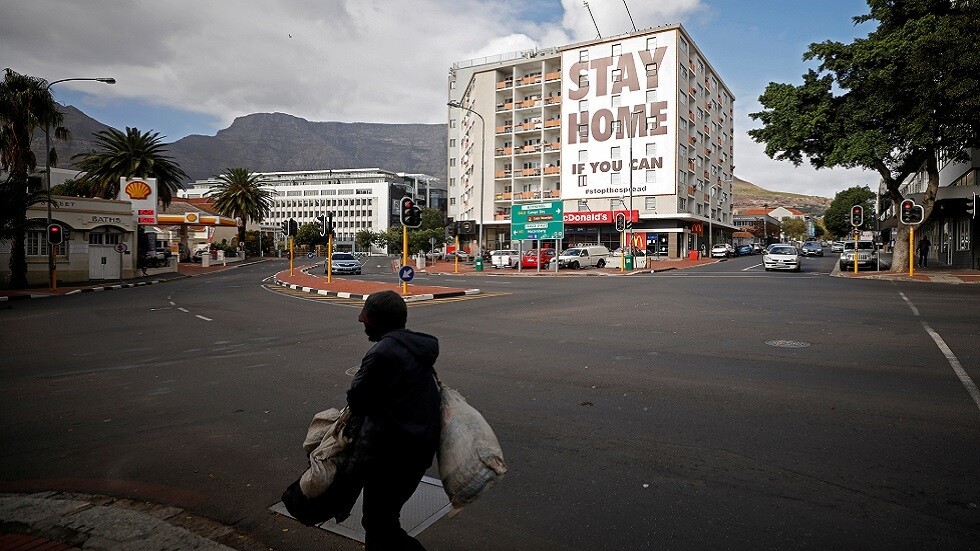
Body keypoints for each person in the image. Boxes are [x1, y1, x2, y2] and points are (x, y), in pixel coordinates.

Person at [346, 290, 441, 550]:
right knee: (381, 521)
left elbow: (357, 400)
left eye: (365, 317)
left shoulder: (382, 353)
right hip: (415, 451)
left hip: (392, 456)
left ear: (377, 321)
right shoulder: (414, 346)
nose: (360, 321)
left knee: (379, 523)